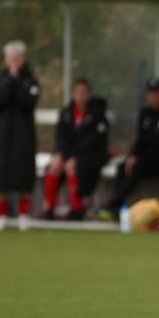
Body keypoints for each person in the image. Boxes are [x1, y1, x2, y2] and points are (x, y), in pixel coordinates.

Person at [101, 77, 159, 218]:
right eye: (151, 93)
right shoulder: (145, 114)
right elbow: (140, 140)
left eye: (157, 92)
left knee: (137, 166)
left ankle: (112, 205)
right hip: (144, 159)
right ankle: (116, 207)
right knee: (123, 167)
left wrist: (139, 158)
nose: (154, 96)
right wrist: (132, 155)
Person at [0, 40, 40, 232]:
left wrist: (17, 81)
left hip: (23, 135)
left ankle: (23, 216)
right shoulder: (0, 79)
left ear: (23, 59)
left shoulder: (30, 80)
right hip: (2, 135)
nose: (14, 62)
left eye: (17, 58)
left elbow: (29, 100)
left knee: (23, 174)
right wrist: (10, 80)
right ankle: (1, 216)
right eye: (11, 58)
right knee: (0, 174)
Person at [45, 78, 109, 220]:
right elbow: (60, 138)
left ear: (89, 94)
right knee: (55, 164)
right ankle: (49, 209)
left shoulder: (98, 114)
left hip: (91, 156)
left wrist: (71, 155)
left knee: (72, 164)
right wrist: (61, 154)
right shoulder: (66, 114)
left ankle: (77, 208)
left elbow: (93, 141)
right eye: (77, 92)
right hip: (70, 154)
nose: (80, 96)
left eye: (83, 92)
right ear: (72, 94)